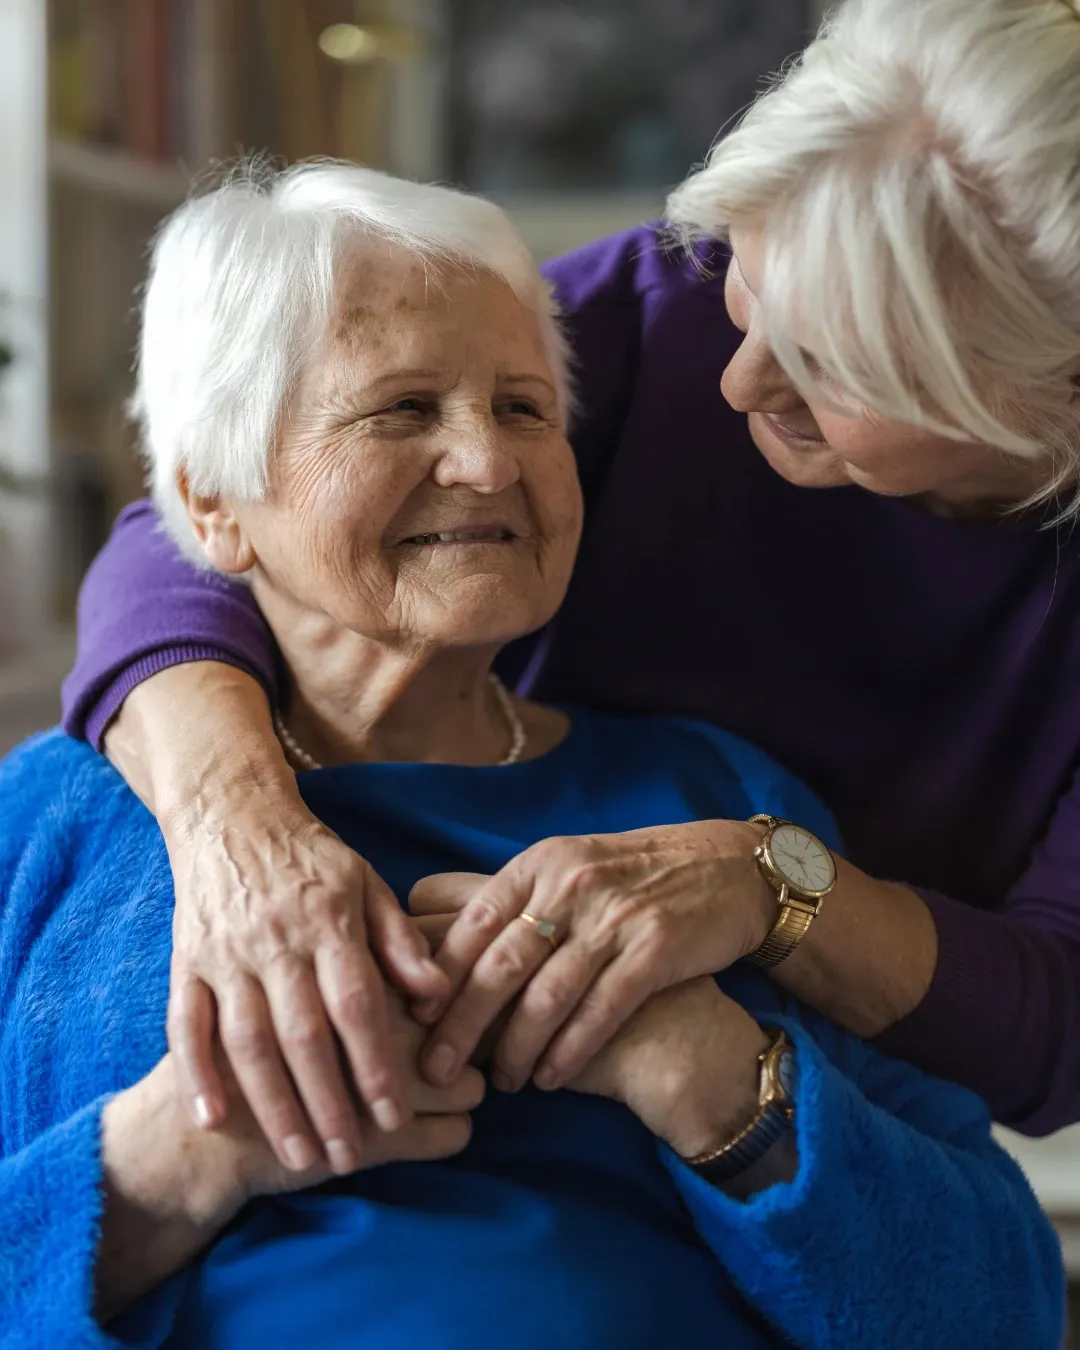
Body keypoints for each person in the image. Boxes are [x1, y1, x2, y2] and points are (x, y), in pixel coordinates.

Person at [0, 159, 1063, 1350]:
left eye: (524, 409)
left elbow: (1000, 1308)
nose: (489, 463)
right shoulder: (47, 824)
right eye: (401, 408)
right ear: (211, 505)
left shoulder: (725, 811)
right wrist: (181, 1155)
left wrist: (710, 1073)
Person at [65, 0, 1080, 1154]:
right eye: (748, 286)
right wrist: (238, 833)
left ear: (1057, 396)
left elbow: (1055, 1031)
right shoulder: (665, 315)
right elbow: (201, 516)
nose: (739, 382)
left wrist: (769, 893)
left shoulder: (737, 785)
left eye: (831, 361)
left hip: (807, 1105)